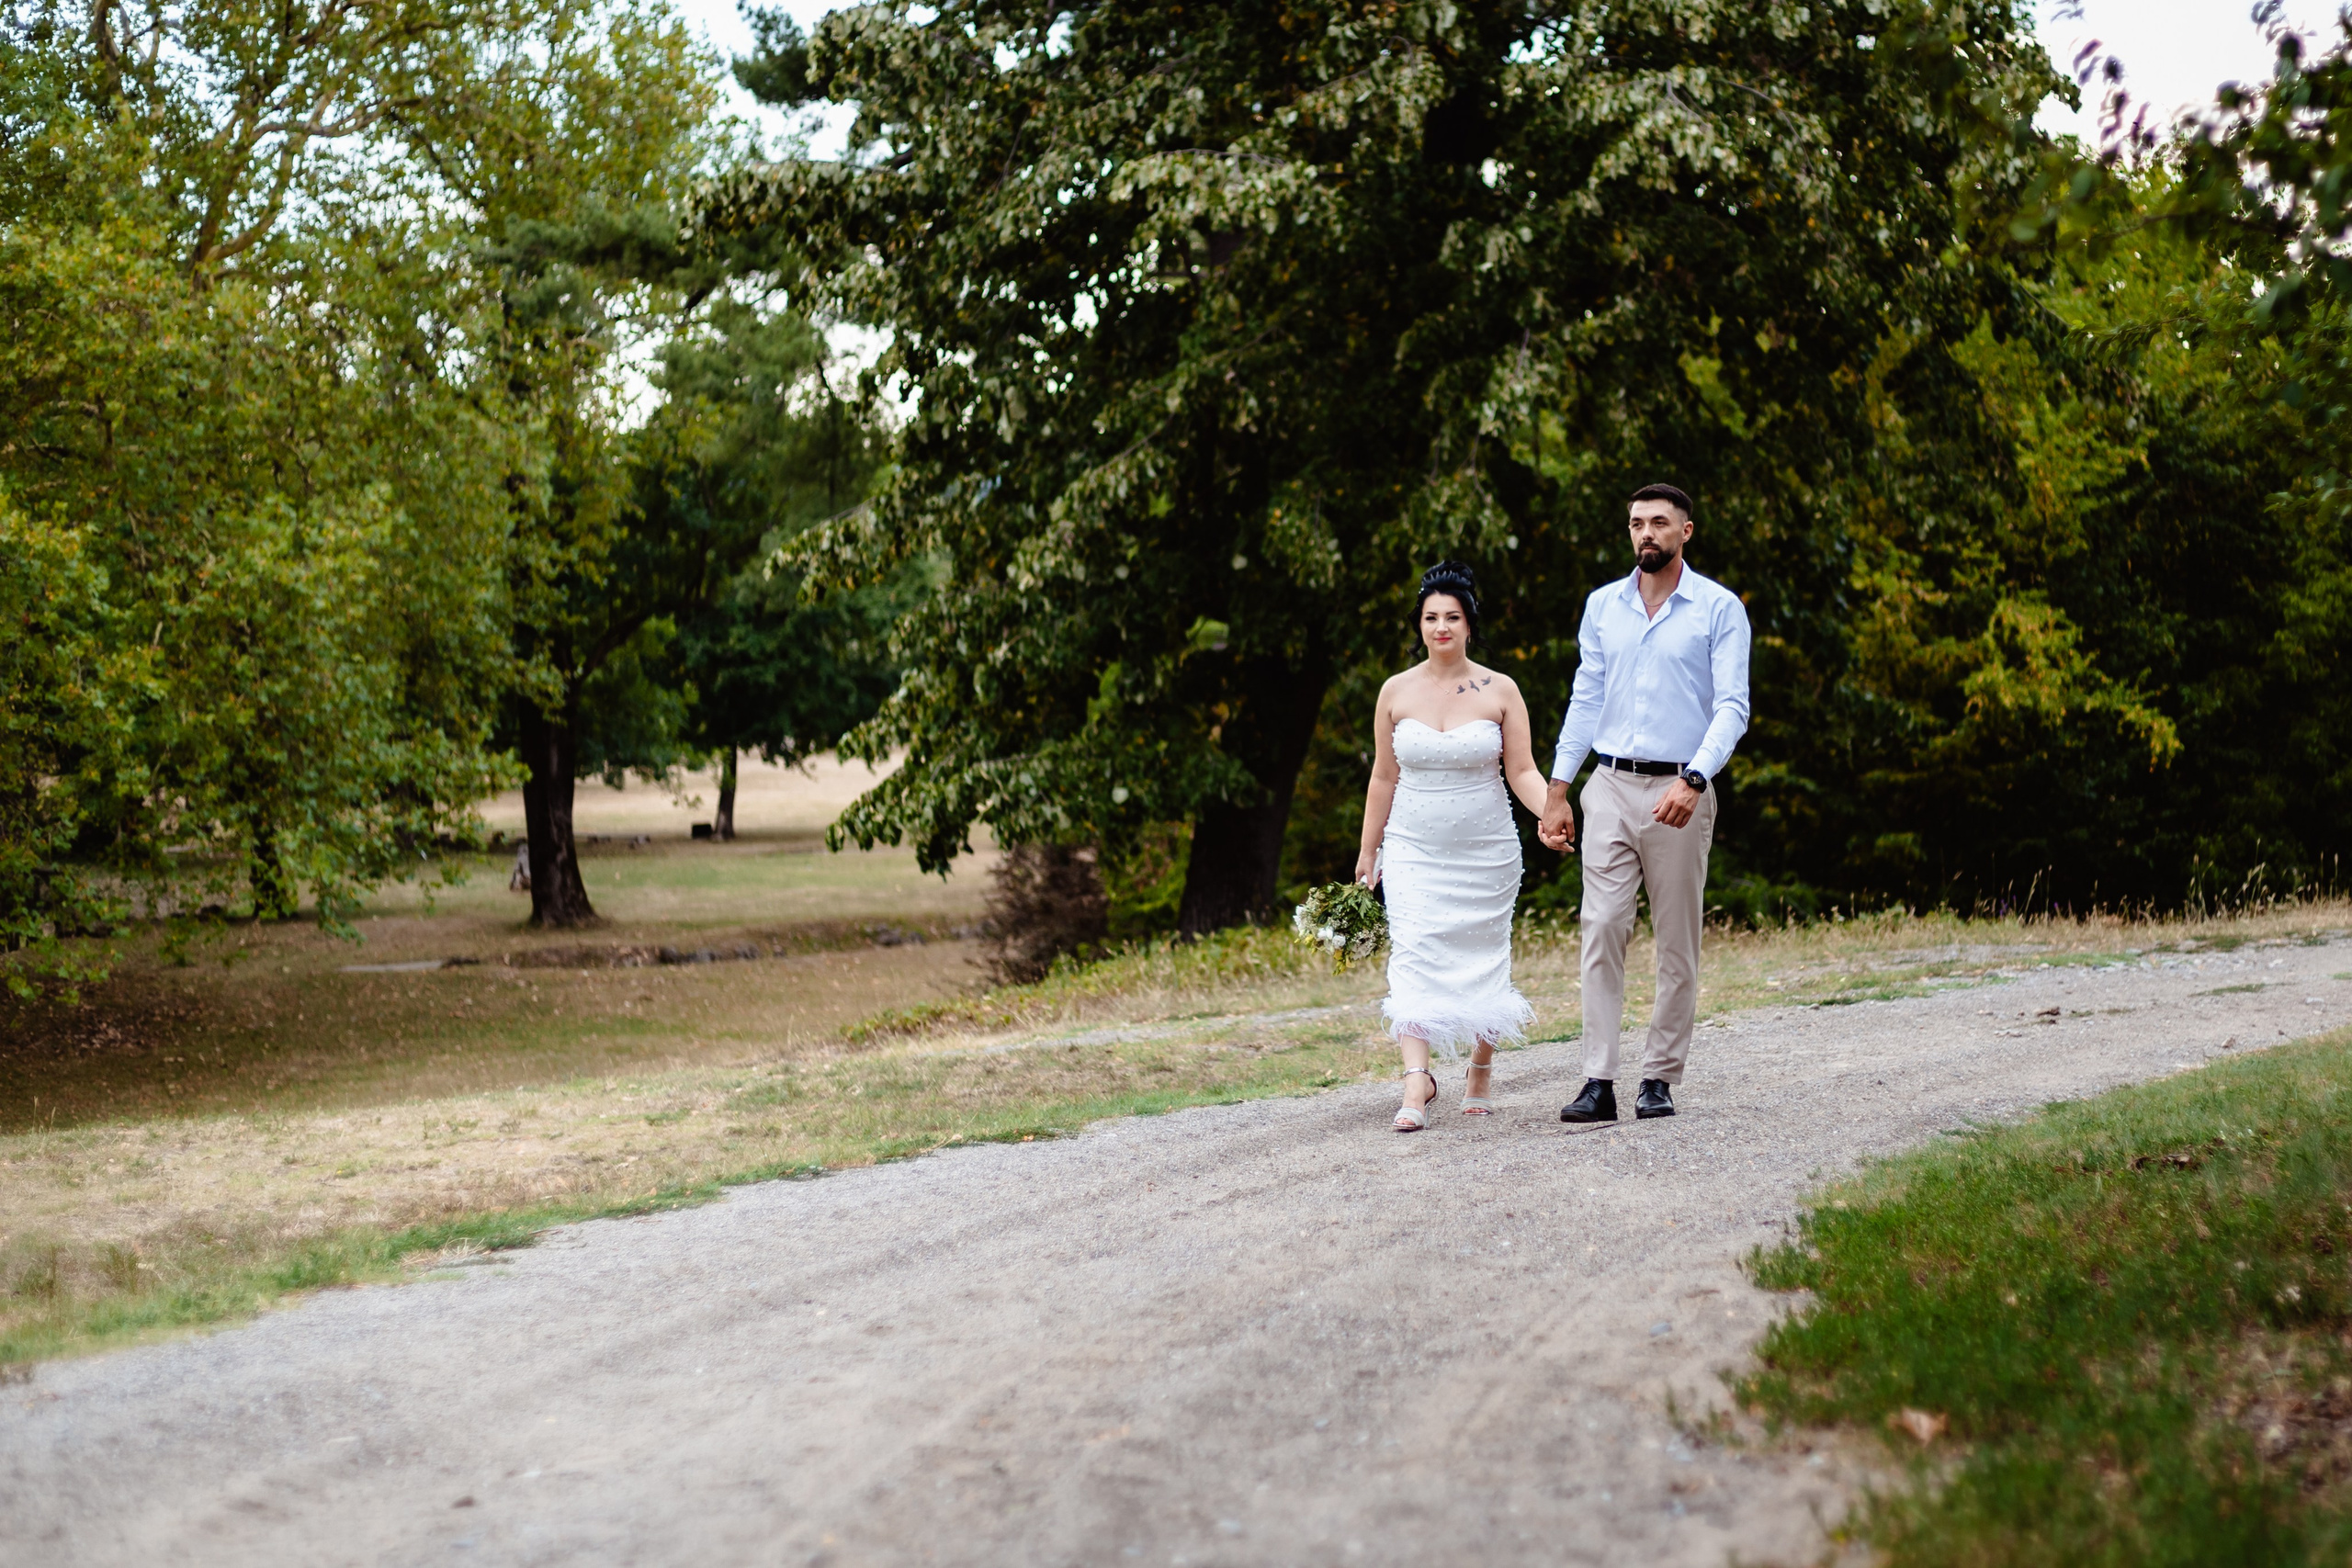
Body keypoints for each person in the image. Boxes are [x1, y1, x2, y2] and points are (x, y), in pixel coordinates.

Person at [1537, 484, 1751, 1123]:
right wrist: (1558, 787)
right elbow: (1585, 695)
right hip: (1608, 784)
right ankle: (1598, 1079)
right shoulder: (1604, 606)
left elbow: (1732, 706)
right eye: (1637, 523)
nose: (1646, 533)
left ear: (1687, 530)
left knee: (1676, 940)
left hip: (1678, 789)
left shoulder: (1719, 608)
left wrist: (1695, 778)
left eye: (1659, 522)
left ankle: (1658, 1075)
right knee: (1601, 926)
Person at [1355, 562, 1554, 1131]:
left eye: (1453, 617)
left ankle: (1480, 1069)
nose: (1441, 626)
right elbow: (1383, 778)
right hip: (1412, 847)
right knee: (1413, 952)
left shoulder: (1500, 689)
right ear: (1419, 625)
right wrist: (1369, 853)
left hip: (1485, 849)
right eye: (1431, 617)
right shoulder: (1395, 691)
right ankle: (1416, 1082)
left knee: (1483, 955)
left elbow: (1522, 771)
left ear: (1469, 625)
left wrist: (1552, 814)